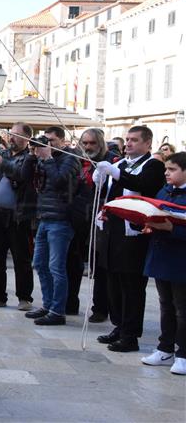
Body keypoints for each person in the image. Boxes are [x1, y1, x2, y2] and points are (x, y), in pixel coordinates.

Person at [93, 126, 166, 352]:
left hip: (133, 233)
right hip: (112, 228)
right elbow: (111, 188)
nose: (129, 144)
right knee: (112, 280)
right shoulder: (123, 163)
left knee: (131, 285)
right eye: (127, 139)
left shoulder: (153, 165)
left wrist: (115, 174)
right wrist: (100, 177)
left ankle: (130, 334)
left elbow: (143, 185)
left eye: (134, 140)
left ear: (147, 143)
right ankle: (119, 325)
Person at [25, 126, 80, 326]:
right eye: (45, 140)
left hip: (61, 219)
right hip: (44, 217)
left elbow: (59, 181)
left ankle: (58, 311)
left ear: (62, 141)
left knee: (56, 267)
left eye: (51, 140)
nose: (48, 144)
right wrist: (33, 155)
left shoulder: (70, 158)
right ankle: (47, 305)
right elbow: (27, 178)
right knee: (39, 264)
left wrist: (47, 158)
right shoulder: (44, 158)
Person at [0, 122, 36, 312]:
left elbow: (22, 175)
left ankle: (24, 297)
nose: (11, 138)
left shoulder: (29, 158)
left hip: (17, 216)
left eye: (16, 135)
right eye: (10, 134)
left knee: (21, 258)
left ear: (27, 138)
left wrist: (2, 164)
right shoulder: (3, 154)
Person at [141, 152, 186, 374]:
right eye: (166, 169)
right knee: (165, 304)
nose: (166, 173)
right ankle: (164, 347)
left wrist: (172, 229)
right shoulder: (165, 190)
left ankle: (183, 353)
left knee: (182, 308)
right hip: (161, 255)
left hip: (181, 259)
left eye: (172, 169)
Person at [67, 129, 118, 319]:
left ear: (100, 143)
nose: (88, 147)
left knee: (100, 265)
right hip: (78, 216)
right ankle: (70, 303)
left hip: (100, 217)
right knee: (73, 260)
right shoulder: (76, 159)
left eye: (92, 144)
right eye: (85, 143)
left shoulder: (111, 160)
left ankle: (100, 308)